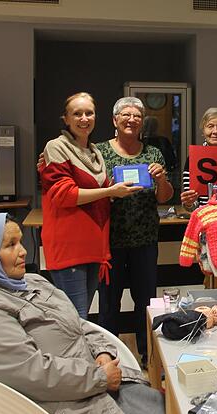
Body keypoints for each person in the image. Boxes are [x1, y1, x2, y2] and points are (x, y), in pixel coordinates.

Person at [0, 213, 165, 414]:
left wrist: (101, 352)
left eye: (20, 242)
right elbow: (32, 372)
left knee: (178, 409)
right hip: (69, 408)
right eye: (11, 245)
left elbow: (78, 325)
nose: (23, 251)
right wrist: (99, 378)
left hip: (92, 385)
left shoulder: (28, 281)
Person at [40, 92, 141, 319]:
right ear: (65, 118)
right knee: (76, 319)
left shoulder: (94, 153)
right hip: (70, 247)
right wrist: (109, 191)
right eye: (77, 114)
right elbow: (63, 195)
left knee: (80, 316)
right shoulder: (56, 147)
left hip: (94, 248)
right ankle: (76, 356)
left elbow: (97, 198)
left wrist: (114, 191)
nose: (84, 118)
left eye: (89, 113)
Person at [97, 97, 174, 366]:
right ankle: (109, 358)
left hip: (144, 239)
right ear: (114, 121)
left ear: (142, 122)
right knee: (108, 304)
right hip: (109, 241)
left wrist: (161, 179)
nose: (131, 120)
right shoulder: (97, 153)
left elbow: (164, 197)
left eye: (137, 116)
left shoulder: (153, 154)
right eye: (125, 115)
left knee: (146, 301)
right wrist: (108, 191)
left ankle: (147, 357)